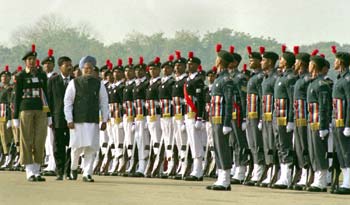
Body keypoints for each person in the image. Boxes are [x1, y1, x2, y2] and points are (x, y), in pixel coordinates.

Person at [64, 56, 108, 182]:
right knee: (76, 147)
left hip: (92, 120)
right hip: (77, 121)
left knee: (91, 148)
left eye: (90, 68)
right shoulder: (74, 83)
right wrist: (69, 119)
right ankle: (73, 167)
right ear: (81, 69)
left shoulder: (99, 83)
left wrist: (104, 119)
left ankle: (87, 173)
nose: (88, 70)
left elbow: (104, 102)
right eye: (86, 68)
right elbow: (67, 102)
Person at [14, 44, 51, 182]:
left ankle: (37, 169)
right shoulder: (21, 76)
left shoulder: (42, 75)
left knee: (40, 139)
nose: (32, 61)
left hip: (40, 109)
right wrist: (15, 117)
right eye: (29, 59)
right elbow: (17, 96)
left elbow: (46, 94)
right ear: (25, 61)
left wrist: (49, 115)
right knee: (26, 139)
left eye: (33, 59)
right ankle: (29, 170)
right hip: (26, 109)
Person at [206, 49, 234, 191]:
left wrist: (227, 122)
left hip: (222, 119)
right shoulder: (218, 78)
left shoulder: (226, 80)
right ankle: (221, 176)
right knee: (217, 148)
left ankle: (225, 178)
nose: (215, 60)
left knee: (223, 148)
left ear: (221, 61)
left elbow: (229, 102)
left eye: (218, 58)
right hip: (215, 118)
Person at [272, 47, 298, 189]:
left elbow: (292, 100)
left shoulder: (290, 78)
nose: (279, 61)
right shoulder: (280, 77)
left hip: (284, 118)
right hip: (277, 116)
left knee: (285, 145)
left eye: (281, 59)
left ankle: (286, 176)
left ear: (286, 62)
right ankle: (282, 175)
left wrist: (291, 120)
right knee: (279, 145)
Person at [306, 55, 331, 192]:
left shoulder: (321, 84)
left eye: (310, 64)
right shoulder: (312, 83)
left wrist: (323, 126)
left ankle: (321, 179)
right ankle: (317, 178)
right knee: (313, 150)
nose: (308, 66)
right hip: (311, 122)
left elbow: (324, 106)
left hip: (318, 122)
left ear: (314, 66)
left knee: (320, 151)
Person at [47, 56, 73, 180]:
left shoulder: (75, 80)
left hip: (72, 119)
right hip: (57, 118)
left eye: (70, 65)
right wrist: (49, 117)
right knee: (58, 145)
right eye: (67, 65)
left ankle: (69, 171)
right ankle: (59, 170)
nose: (69, 67)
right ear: (60, 66)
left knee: (71, 144)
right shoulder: (53, 80)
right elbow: (49, 100)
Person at [330, 48, 350, 194]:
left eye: (336, 60)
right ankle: (346, 182)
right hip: (337, 121)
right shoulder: (340, 79)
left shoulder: (347, 80)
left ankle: (348, 183)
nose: (334, 62)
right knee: (340, 153)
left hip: (344, 122)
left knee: (347, 153)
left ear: (341, 62)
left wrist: (348, 124)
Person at [183, 51, 205, 181]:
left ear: (197, 66)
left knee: (196, 143)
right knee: (192, 142)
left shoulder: (198, 80)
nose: (189, 66)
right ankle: (196, 169)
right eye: (188, 64)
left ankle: (198, 170)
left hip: (195, 115)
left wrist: (200, 118)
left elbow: (200, 100)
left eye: (192, 64)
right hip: (188, 114)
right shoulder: (187, 80)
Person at [292, 47, 312, 190]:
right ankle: (302, 172)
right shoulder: (298, 78)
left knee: (305, 146)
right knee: (299, 146)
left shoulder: (307, 79)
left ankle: (307, 173)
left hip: (304, 117)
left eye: (297, 61)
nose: (295, 63)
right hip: (297, 117)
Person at [171, 51, 189, 180]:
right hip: (175, 115)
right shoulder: (175, 81)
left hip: (183, 115)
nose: (177, 68)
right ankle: (180, 165)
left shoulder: (185, 80)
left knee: (184, 142)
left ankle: (185, 165)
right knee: (177, 142)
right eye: (176, 66)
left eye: (180, 66)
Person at [41, 49, 57, 176]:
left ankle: (53, 164)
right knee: (46, 140)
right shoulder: (42, 77)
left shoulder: (55, 78)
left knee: (52, 140)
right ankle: (49, 162)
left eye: (49, 63)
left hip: (52, 112)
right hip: (42, 111)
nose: (47, 65)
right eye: (45, 64)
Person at [0, 66, 14, 170]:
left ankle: (8, 156)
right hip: (0, 114)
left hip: (6, 114)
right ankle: (3, 155)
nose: (4, 78)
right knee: (2, 137)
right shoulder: (1, 89)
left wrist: (10, 117)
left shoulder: (10, 89)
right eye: (2, 76)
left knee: (7, 136)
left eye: (6, 76)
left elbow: (10, 103)